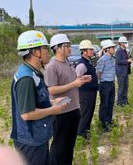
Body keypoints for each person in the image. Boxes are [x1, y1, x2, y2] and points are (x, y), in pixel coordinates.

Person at [10, 30, 68, 165]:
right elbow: (27, 114)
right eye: (45, 48)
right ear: (35, 52)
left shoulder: (33, 73)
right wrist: (54, 110)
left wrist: (53, 102)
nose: (48, 51)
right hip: (30, 141)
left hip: (37, 136)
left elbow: (36, 101)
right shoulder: (26, 78)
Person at [44, 34, 91, 165]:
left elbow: (72, 82)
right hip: (61, 112)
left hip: (74, 109)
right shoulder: (51, 67)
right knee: (59, 147)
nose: (70, 48)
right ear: (57, 48)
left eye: (69, 45)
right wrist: (73, 84)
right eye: (67, 46)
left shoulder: (68, 62)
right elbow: (51, 89)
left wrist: (81, 80)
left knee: (69, 145)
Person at [75, 40, 97, 138]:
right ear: (84, 51)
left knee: (90, 112)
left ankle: (86, 131)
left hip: (91, 92)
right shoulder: (82, 64)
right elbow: (76, 79)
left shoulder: (88, 62)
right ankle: (81, 133)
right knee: (85, 113)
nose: (92, 51)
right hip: (85, 93)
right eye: (90, 49)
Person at [96, 40, 116, 132]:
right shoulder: (102, 60)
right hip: (104, 84)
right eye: (112, 48)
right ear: (107, 49)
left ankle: (109, 120)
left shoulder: (112, 59)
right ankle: (103, 123)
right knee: (104, 104)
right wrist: (99, 84)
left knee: (111, 103)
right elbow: (98, 73)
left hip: (111, 83)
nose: (114, 49)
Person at [115, 36, 132, 106]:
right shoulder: (119, 51)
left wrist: (130, 61)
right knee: (121, 87)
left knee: (126, 86)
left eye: (126, 42)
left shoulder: (125, 50)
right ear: (121, 43)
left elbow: (125, 60)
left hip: (125, 72)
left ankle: (125, 100)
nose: (126, 44)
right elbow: (118, 61)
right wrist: (127, 61)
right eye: (124, 43)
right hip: (121, 72)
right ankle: (120, 102)